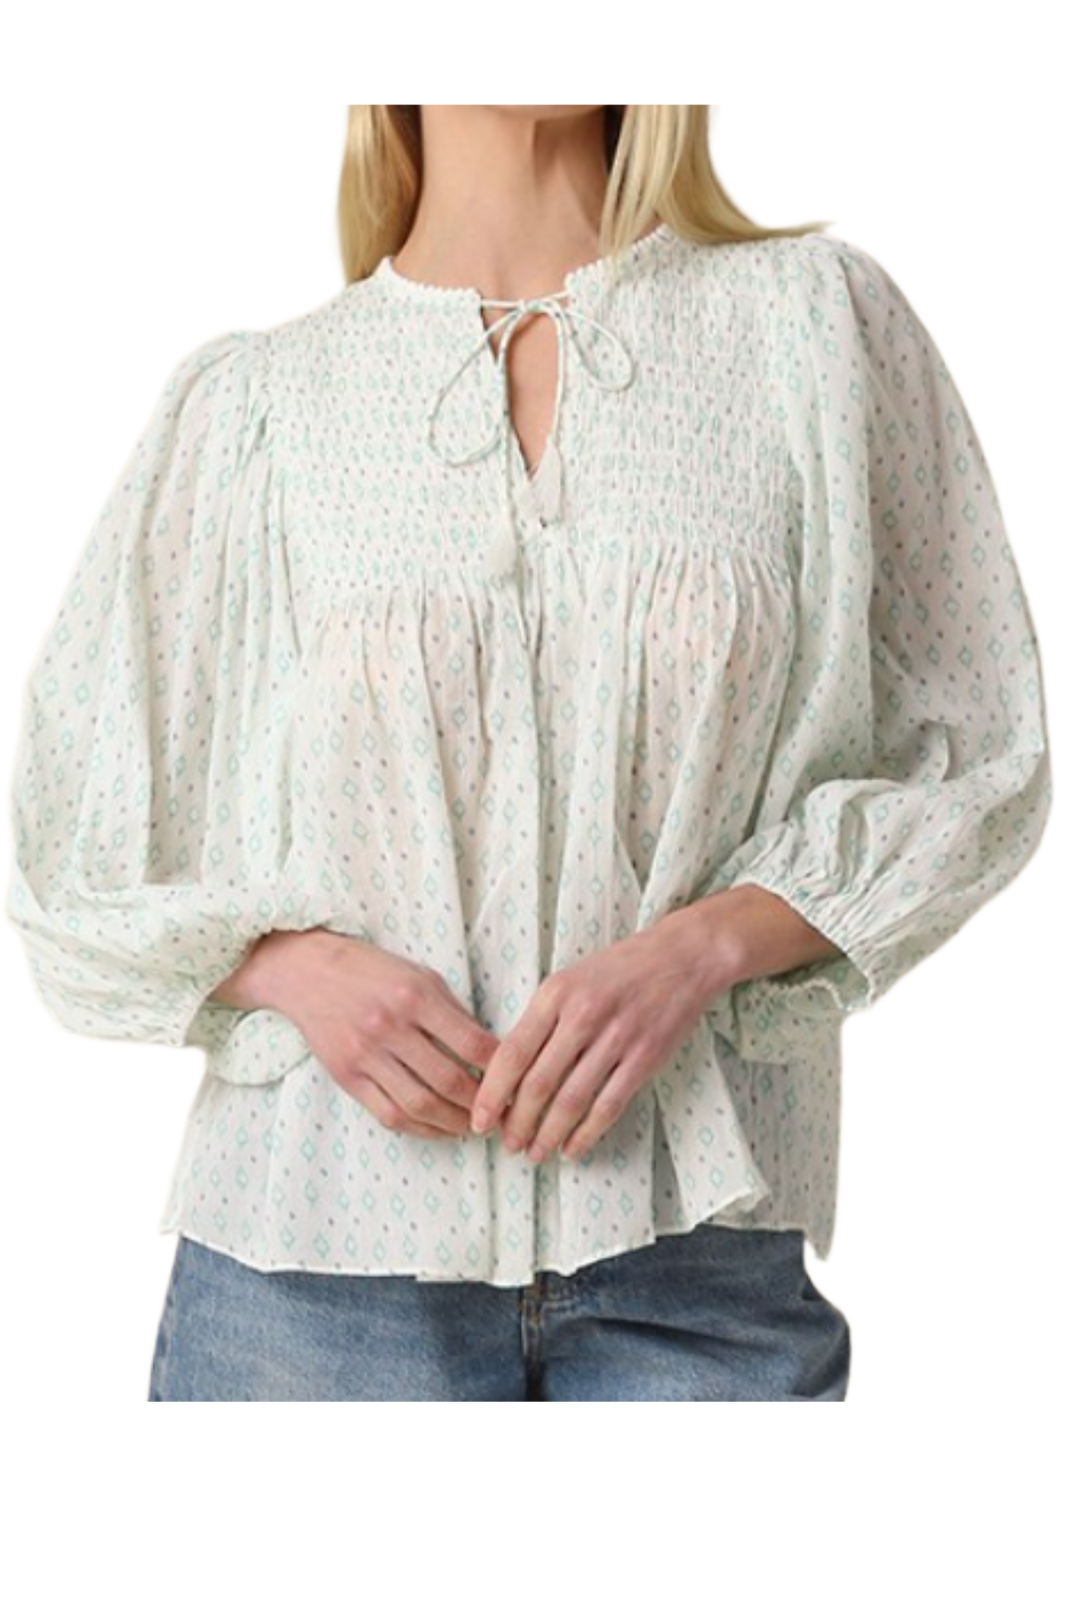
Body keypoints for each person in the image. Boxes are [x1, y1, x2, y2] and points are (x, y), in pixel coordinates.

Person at [0, 103, 1057, 1404]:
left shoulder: (812, 324)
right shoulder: (258, 400)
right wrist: (292, 968)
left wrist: (706, 945)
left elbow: (976, 749)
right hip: (311, 1278)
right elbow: (71, 833)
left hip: (698, 1268)